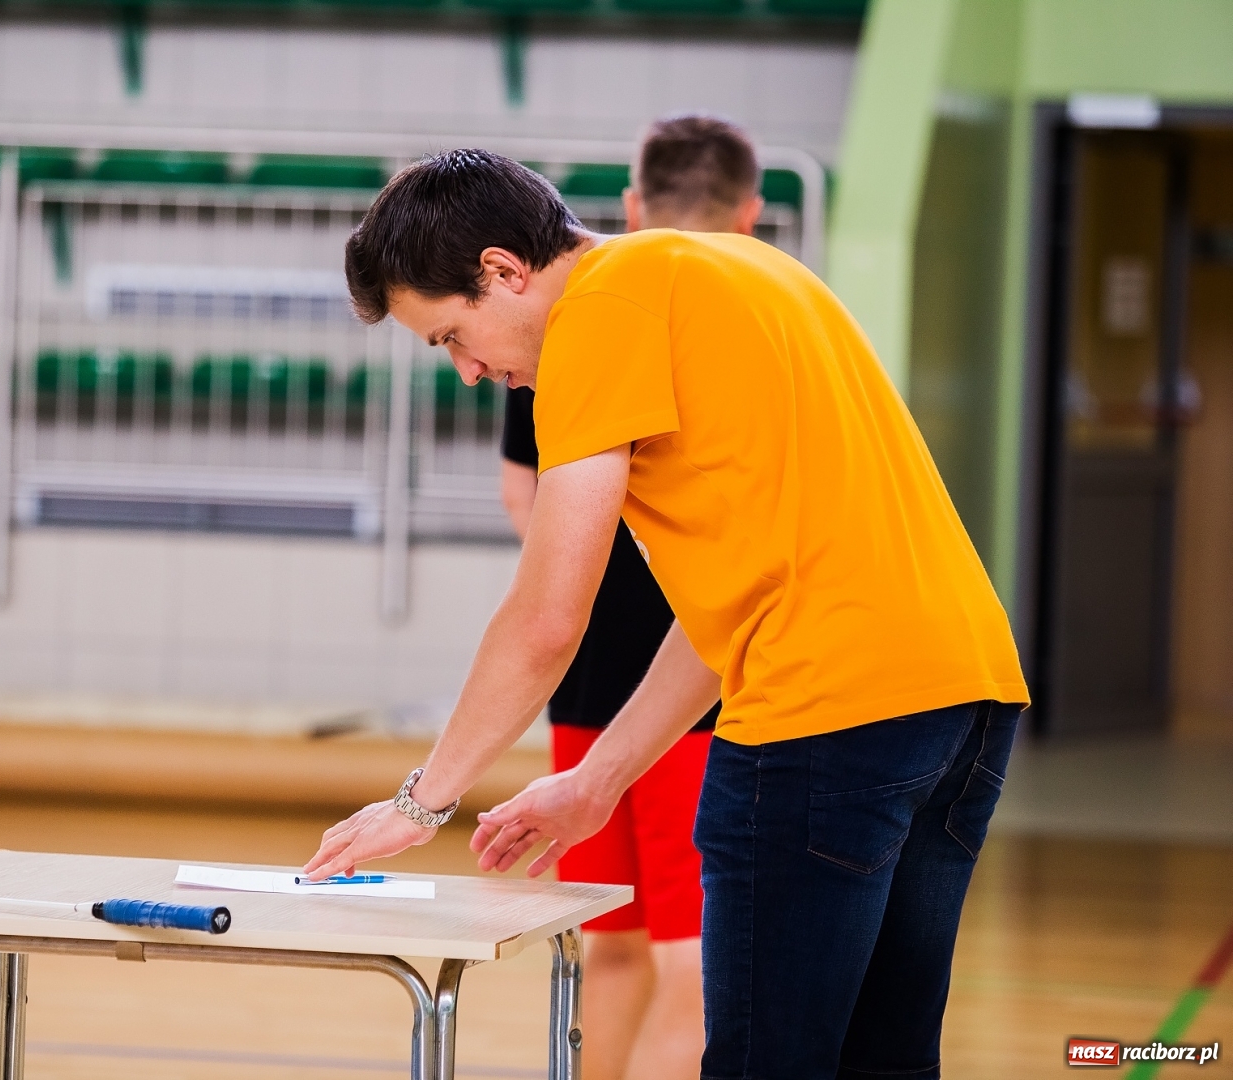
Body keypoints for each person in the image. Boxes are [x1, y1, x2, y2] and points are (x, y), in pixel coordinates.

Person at [304, 148, 1027, 1080]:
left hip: (825, 719)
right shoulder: (737, 268)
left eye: (451, 336)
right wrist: (600, 778)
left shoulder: (598, 319)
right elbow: (733, 604)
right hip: (962, 705)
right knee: (882, 1059)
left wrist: (423, 801)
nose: (469, 372)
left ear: (502, 271)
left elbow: (546, 617)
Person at [496, 115, 763, 1080]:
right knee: (687, 958)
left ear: (633, 206)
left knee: (607, 940)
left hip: (601, 669)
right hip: (699, 673)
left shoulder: (568, 324)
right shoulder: (741, 320)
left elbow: (524, 489)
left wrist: (578, 573)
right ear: (753, 213)